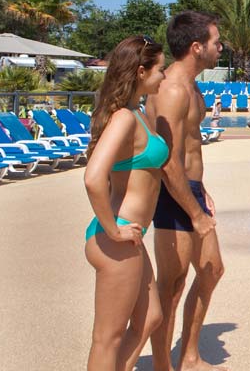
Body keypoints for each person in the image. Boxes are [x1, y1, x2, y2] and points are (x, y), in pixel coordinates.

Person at [82, 36, 168, 371]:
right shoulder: (124, 119)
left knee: (151, 318)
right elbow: (93, 178)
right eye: (160, 68)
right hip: (116, 239)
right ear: (142, 71)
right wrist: (113, 230)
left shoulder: (138, 113)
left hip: (129, 237)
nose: (164, 75)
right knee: (108, 337)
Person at [148, 11, 226, 371]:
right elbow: (167, 160)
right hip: (171, 193)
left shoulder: (193, 87)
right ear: (197, 47)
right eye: (215, 41)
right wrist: (194, 212)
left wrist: (201, 191)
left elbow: (189, 149)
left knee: (211, 269)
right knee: (172, 285)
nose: (219, 46)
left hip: (191, 189)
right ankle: (165, 365)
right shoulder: (173, 89)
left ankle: (190, 356)